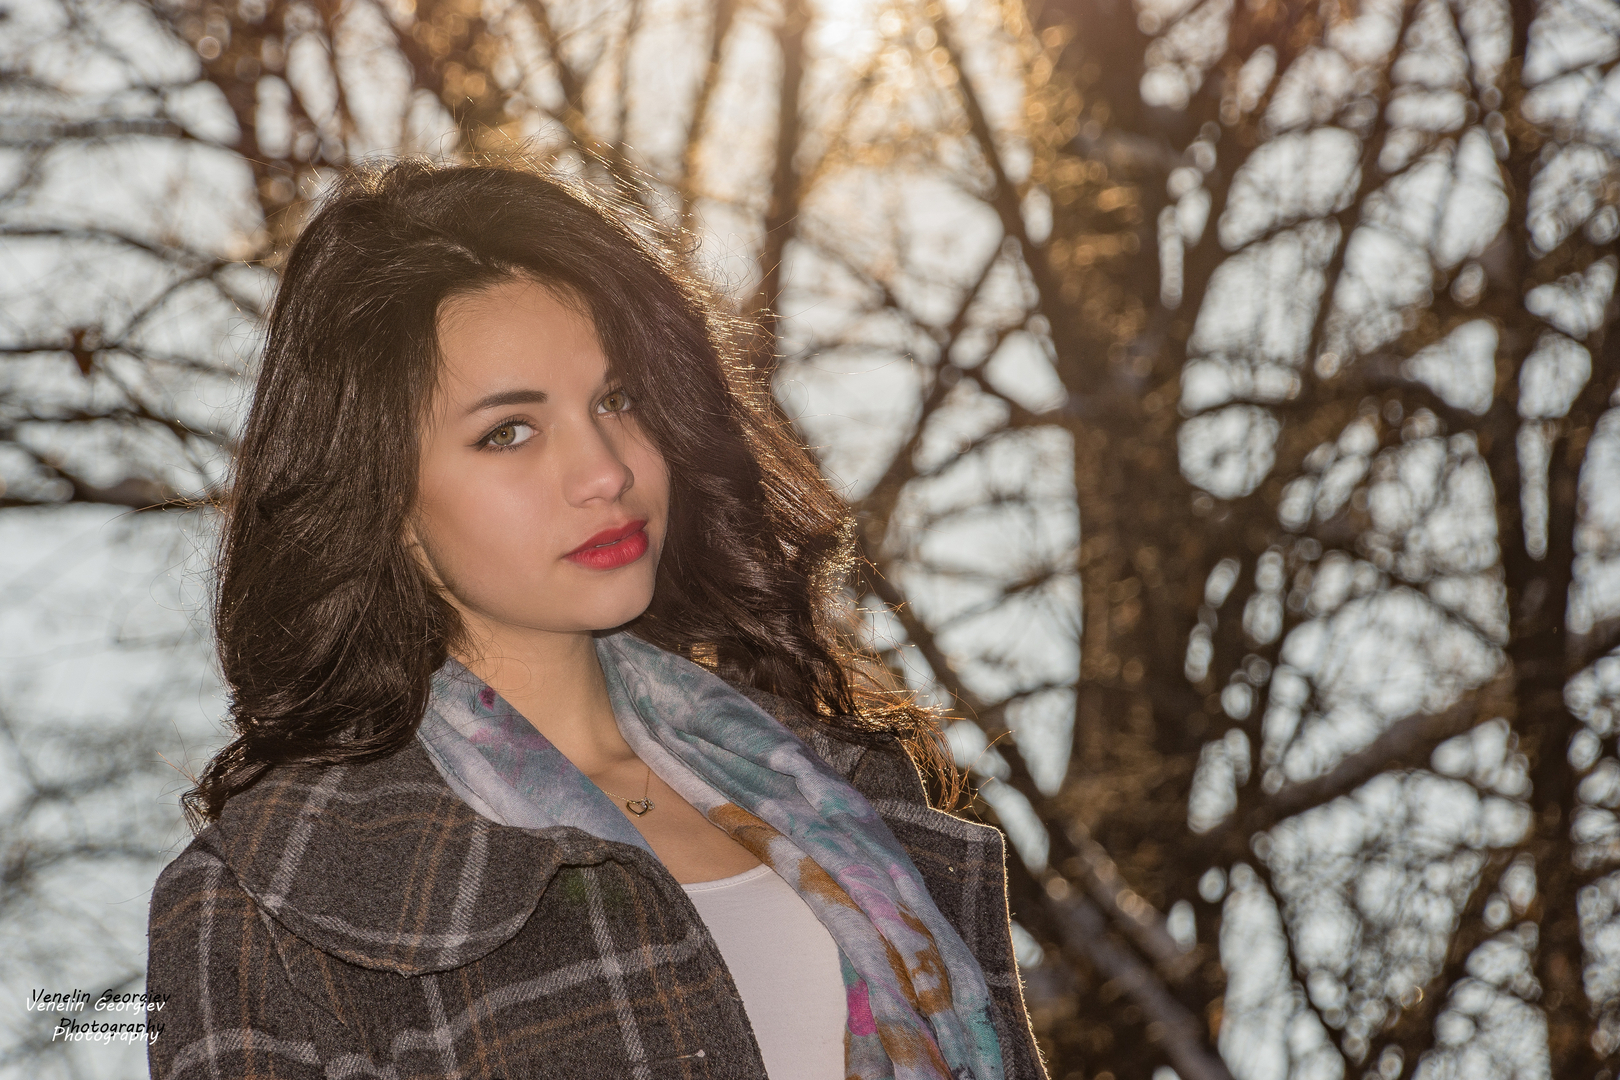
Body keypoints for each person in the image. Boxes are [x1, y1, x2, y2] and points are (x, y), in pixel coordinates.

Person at [145, 159, 1046, 1080]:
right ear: (384, 503)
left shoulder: (837, 788)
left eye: (618, 400)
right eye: (509, 431)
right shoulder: (265, 899)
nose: (608, 470)